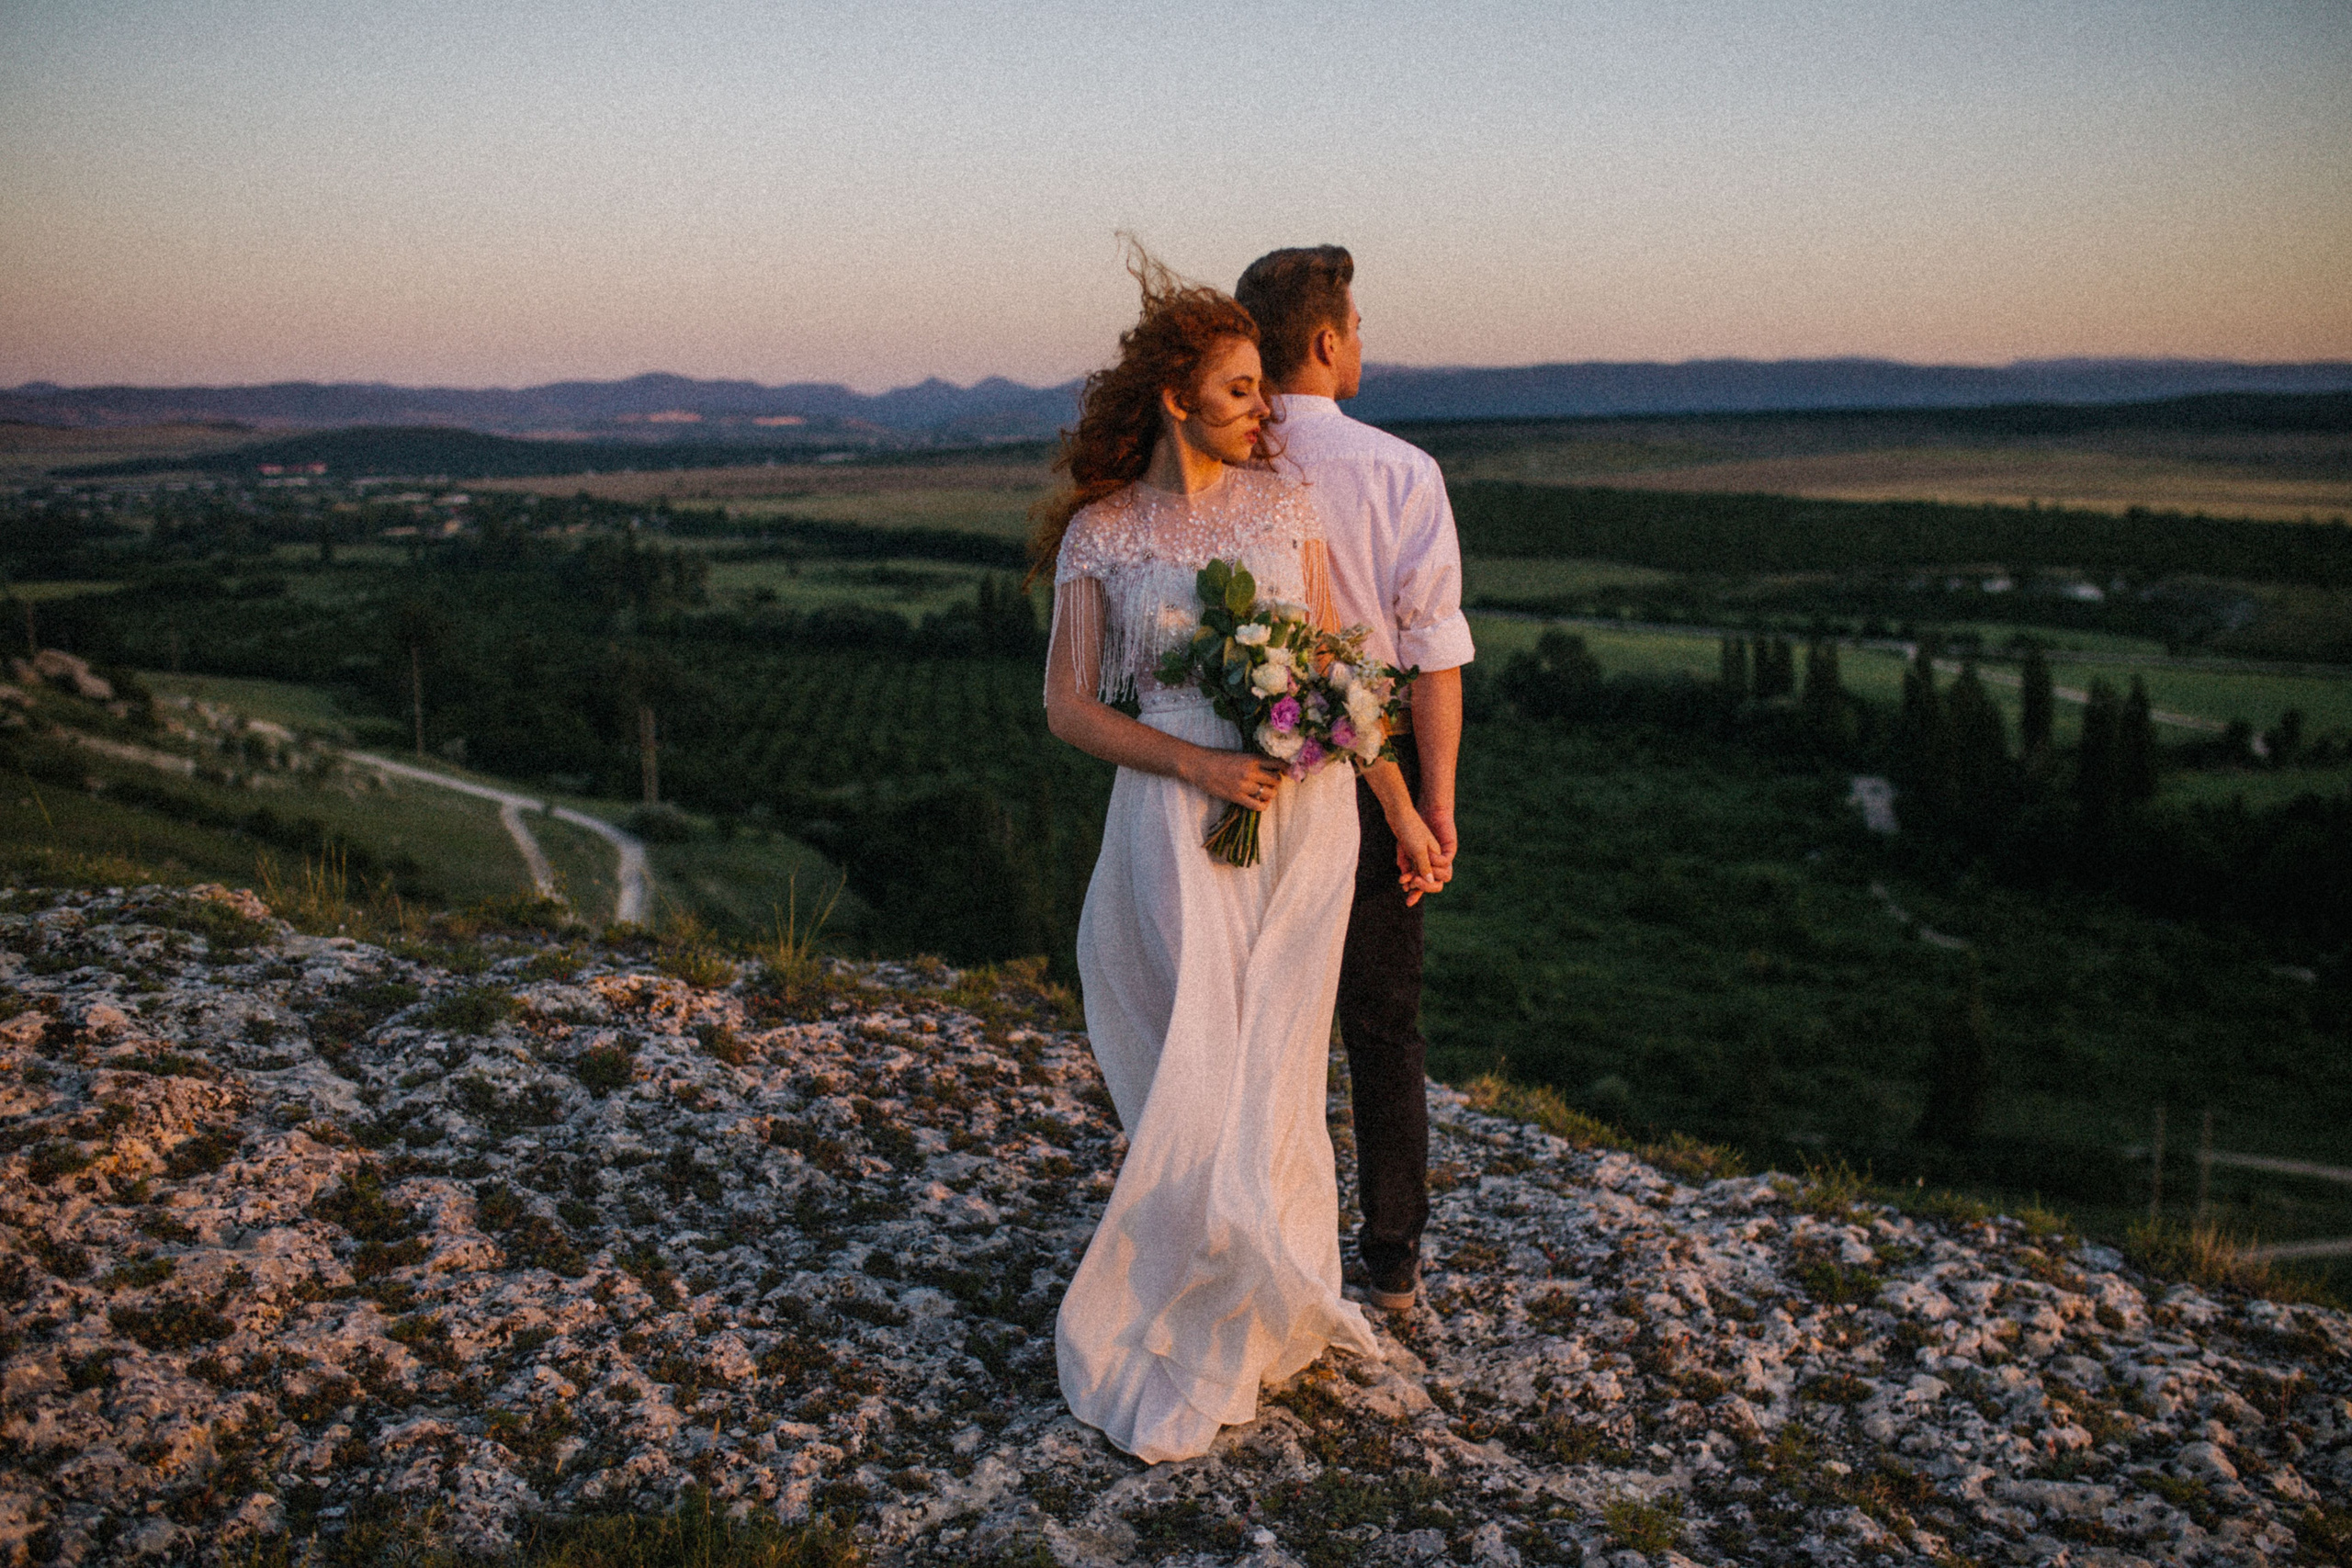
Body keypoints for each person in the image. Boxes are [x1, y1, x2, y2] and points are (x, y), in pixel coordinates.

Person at [1037, 249, 1443, 1465]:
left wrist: (1402, 805)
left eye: (1267, 387)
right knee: (1193, 1064)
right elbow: (1066, 705)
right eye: (1237, 390)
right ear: (1175, 397)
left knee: (1273, 1067)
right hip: (1175, 820)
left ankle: (1273, 1290)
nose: (1265, 411)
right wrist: (1198, 764)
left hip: (1305, 822)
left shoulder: (1288, 507)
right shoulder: (1103, 535)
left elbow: (1334, 674)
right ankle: (1184, 1279)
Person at [1235, 246, 1476, 1314]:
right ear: (1327, 341)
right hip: (1368, 792)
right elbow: (1432, 661)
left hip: (1234, 778)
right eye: (1359, 327)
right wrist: (1435, 807)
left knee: (1248, 1017)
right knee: (1381, 1023)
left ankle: (1245, 1227)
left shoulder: (1223, 459)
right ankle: (1391, 1256)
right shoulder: (1401, 470)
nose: (1363, 344)